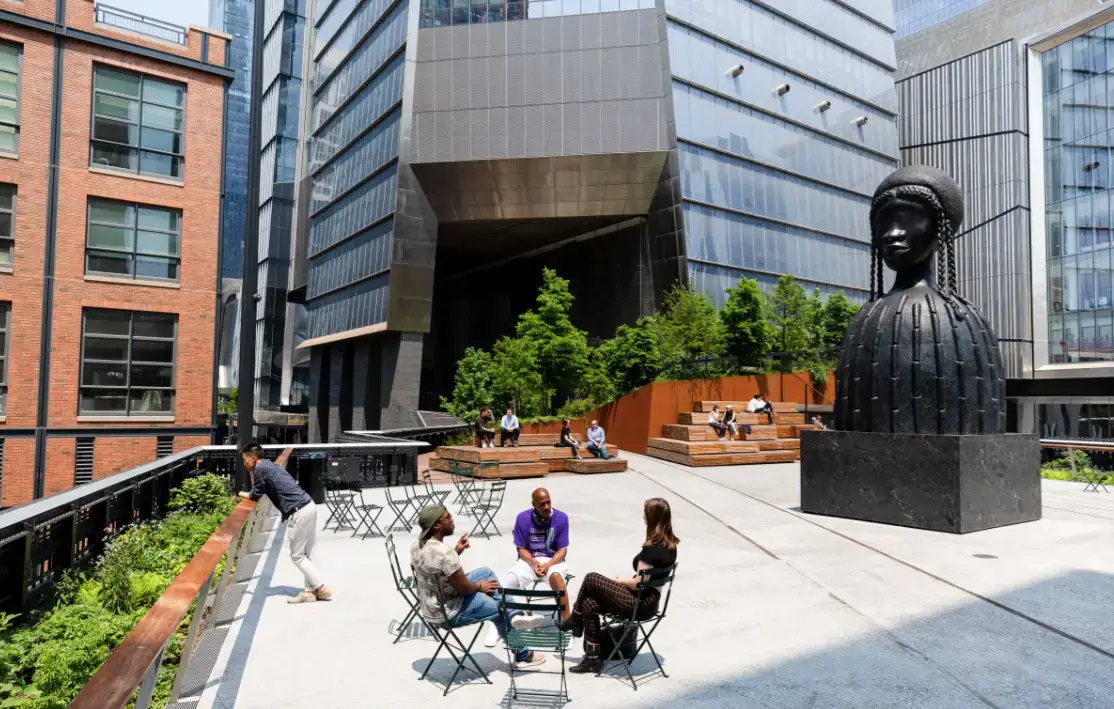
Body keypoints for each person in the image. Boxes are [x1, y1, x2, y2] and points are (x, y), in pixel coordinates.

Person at [410, 505, 546, 667]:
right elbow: (464, 588)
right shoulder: (445, 554)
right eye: (448, 517)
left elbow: (437, 566)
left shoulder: (417, 545)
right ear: (437, 526)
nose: (452, 519)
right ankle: (523, 655)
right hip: (448, 612)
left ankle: (514, 613)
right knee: (499, 609)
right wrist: (479, 587)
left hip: (432, 605)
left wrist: (456, 552)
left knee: (485, 573)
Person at [557, 498, 679, 674]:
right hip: (650, 603)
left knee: (591, 578)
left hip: (638, 604)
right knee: (589, 602)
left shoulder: (651, 550)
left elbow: (638, 584)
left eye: (645, 513)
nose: (643, 516)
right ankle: (592, 658)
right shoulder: (671, 546)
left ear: (652, 517)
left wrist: (620, 581)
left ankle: (576, 618)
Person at [239, 443, 332, 604]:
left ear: (253, 458)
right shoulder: (270, 465)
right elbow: (259, 488)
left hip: (299, 512)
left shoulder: (260, 469)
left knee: (297, 556)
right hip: (308, 505)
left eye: (245, 460)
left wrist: (240, 492)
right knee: (308, 553)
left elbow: (255, 495)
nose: (244, 463)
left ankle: (321, 586)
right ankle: (309, 593)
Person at [487, 488, 572, 647]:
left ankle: (568, 626)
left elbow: (562, 550)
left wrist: (548, 565)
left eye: (548, 502)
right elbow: (521, 549)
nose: (547, 507)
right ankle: (498, 625)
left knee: (557, 579)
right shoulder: (523, 518)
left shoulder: (561, 518)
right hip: (529, 560)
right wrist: (534, 563)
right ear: (534, 505)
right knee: (506, 583)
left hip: (553, 560)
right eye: (542, 504)